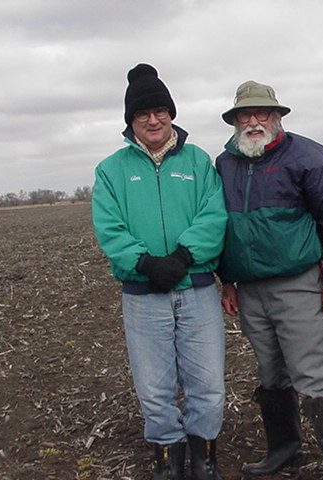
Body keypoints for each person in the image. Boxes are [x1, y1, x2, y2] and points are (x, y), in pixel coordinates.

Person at [216, 80, 323, 480]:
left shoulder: (306, 155)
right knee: (271, 372)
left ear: (277, 117)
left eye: (262, 113)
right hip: (250, 291)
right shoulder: (225, 164)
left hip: (298, 285)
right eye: (244, 115)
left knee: (315, 372)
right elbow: (221, 228)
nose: (253, 121)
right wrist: (227, 280)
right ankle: (284, 449)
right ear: (235, 121)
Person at [92, 63, 227, 480]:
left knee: (207, 381)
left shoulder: (199, 161)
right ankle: (168, 458)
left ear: (171, 114)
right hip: (142, 293)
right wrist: (146, 264)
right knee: (154, 386)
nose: (153, 120)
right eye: (142, 114)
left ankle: (204, 457)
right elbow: (108, 227)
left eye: (160, 111)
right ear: (131, 120)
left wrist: (183, 258)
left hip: (197, 288)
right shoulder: (111, 170)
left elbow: (214, 215)